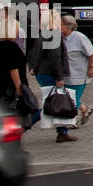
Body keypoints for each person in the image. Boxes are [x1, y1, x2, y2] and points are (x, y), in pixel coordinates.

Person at [34, 9, 76, 143]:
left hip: (43, 72)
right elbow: (55, 58)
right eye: (58, 19)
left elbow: (34, 53)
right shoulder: (54, 35)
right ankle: (23, 126)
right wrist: (59, 78)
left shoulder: (44, 34)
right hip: (50, 74)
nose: (60, 21)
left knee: (58, 101)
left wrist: (33, 68)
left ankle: (63, 132)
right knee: (50, 103)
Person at [0, 9, 35, 127]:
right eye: (15, 29)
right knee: (11, 114)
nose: (17, 32)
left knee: (2, 111)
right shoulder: (12, 47)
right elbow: (13, 69)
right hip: (9, 87)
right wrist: (19, 88)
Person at [60, 14, 93, 128]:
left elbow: (91, 53)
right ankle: (86, 110)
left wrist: (91, 67)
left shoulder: (79, 37)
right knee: (69, 98)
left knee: (72, 100)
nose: (58, 26)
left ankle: (73, 122)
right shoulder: (62, 38)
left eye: (60, 24)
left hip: (78, 75)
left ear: (68, 26)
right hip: (66, 75)